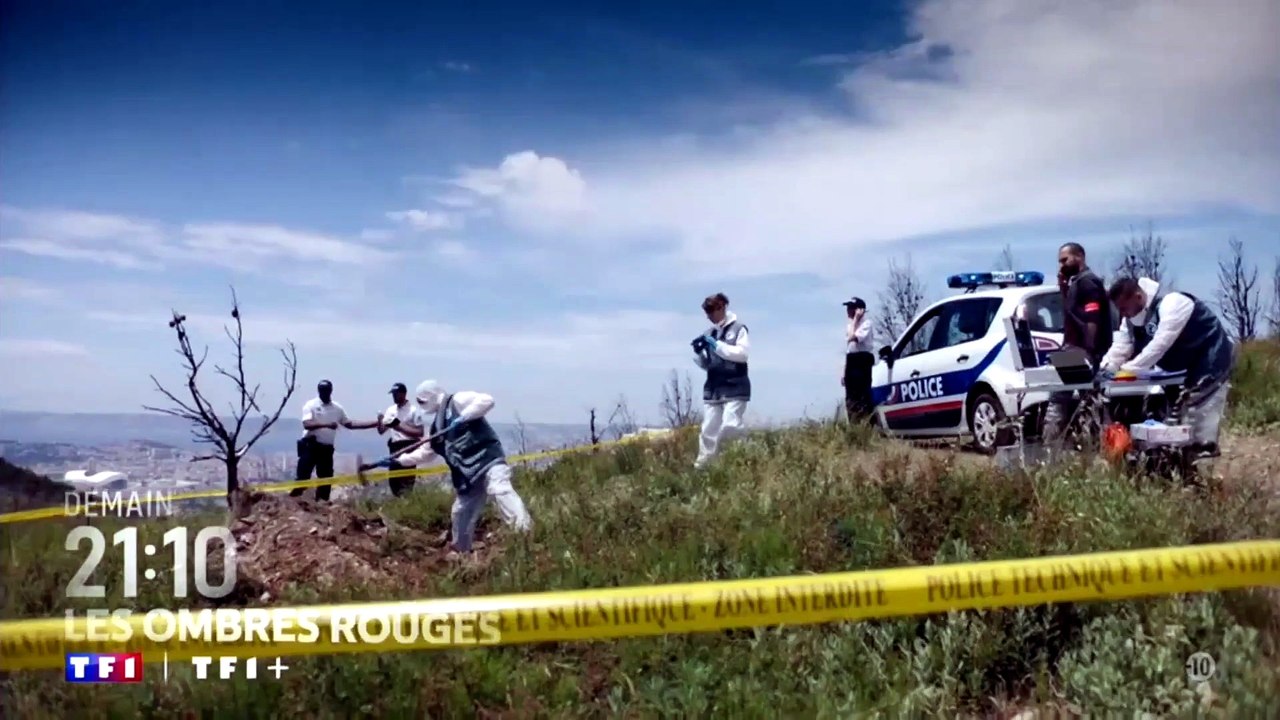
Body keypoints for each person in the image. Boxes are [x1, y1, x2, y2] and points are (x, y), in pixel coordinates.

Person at [359, 380, 532, 553]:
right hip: (468, 475)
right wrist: (397, 461)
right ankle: (461, 551)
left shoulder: (457, 401)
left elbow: (487, 401)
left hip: (488, 460)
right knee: (460, 512)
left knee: (499, 489)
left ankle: (525, 531)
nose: (422, 405)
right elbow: (424, 454)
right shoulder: (437, 429)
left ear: (432, 395)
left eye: (423, 401)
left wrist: (465, 416)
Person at [1101, 277, 1236, 458]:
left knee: (1200, 420)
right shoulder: (1130, 321)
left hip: (1210, 359)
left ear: (1138, 297)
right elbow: (1121, 346)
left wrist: (1127, 371)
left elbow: (1159, 345)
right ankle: (1173, 460)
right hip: (1176, 370)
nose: (1122, 313)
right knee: (1174, 419)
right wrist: (1107, 368)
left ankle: (1202, 459)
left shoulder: (1173, 304)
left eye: (1124, 308)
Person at [1043, 243, 1114, 445]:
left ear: (1079, 257)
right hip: (1075, 349)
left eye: (1065, 260)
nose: (1061, 265)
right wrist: (1064, 287)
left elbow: (1093, 318)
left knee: (1060, 398)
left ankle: (1050, 448)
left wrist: (1089, 351)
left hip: (1081, 351)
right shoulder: (1076, 282)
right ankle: (1101, 445)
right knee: (1089, 400)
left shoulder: (1087, 283)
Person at [290, 379, 379, 502]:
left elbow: (349, 424)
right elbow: (307, 424)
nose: (324, 393)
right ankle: (293, 501)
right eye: (322, 390)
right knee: (303, 477)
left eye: (326, 390)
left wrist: (374, 423)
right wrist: (327, 425)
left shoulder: (337, 408)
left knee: (326, 479)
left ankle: (322, 504)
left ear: (330, 391)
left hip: (326, 448)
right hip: (310, 446)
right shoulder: (311, 405)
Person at [691, 293, 750, 469]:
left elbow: (742, 355)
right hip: (714, 387)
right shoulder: (709, 333)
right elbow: (708, 364)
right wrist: (700, 354)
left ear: (722, 307)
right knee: (708, 429)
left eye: (711, 310)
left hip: (735, 385)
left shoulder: (739, 329)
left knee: (731, 425)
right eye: (706, 312)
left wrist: (717, 346)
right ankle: (703, 466)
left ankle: (739, 460)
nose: (708, 315)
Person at [377, 382, 425, 497]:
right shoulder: (390, 410)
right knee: (394, 480)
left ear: (403, 394)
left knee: (407, 480)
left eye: (396, 394)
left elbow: (420, 432)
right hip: (395, 447)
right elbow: (382, 430)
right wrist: (380, 421)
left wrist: (400, 428)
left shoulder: (413, 410)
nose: (394, 396)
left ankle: (407, 502)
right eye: (393, 394)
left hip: (409, 447)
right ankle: (398, 500)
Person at [841, 297, 875, 423]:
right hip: (852, 360)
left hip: (862, 360)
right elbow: (849, 348)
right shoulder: (850, 326)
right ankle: (853, 424)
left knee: (863, 395)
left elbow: (852, 338)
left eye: (851, 308)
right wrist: (844, 371)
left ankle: (866, 423)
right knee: (851, 396)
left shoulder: (866, 324)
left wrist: (856, 319)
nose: (848, 310)